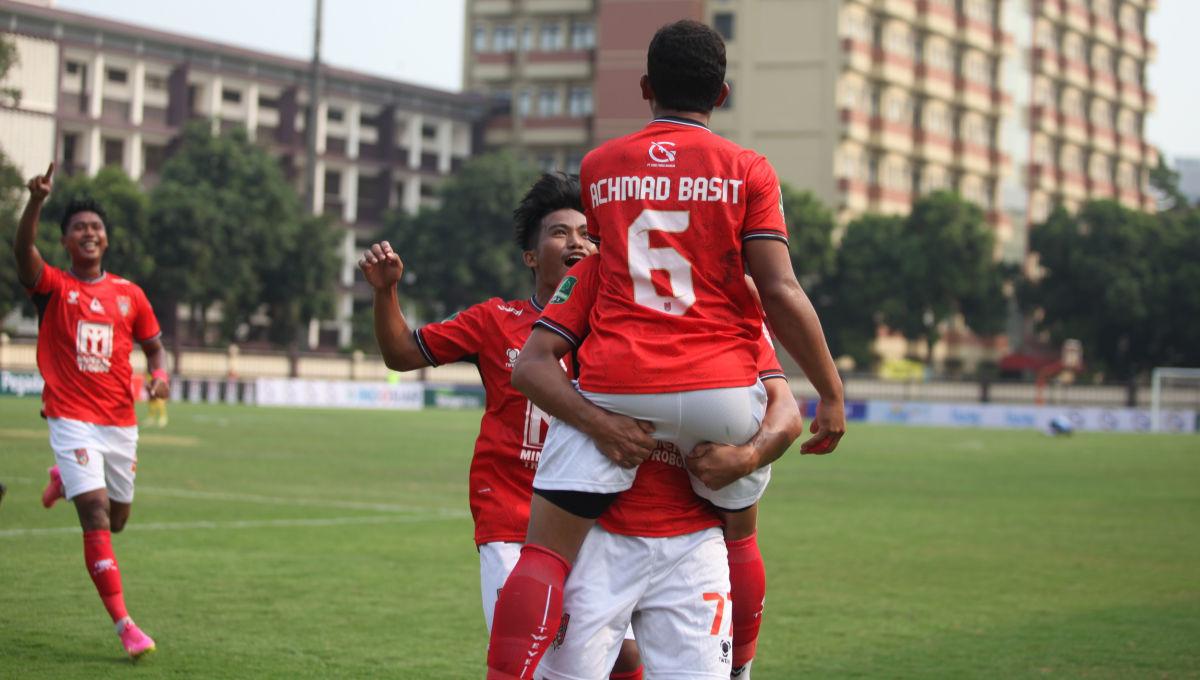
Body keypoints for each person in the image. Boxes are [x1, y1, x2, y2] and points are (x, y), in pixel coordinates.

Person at [487, 21, 846, 678]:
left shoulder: (599, 170)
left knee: (541, 552)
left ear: (646, 88)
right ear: (724, 92)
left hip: (621, 380)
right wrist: (832, 391)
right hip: (720, 391)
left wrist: (600, 418)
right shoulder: (747, 180)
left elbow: (550, 344)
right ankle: (742, 668)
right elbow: (781, 286)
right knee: (742, 522)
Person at [358, 173, 643, 679]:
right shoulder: (496, 321)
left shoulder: (618, 330)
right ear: (531, 257)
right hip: (513, 523)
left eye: (586, 233)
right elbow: (401, 353)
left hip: (594, 520)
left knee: (625, 656)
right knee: (534, 660)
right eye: (560, 232)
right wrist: (387, 293)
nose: (577, 241)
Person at [523, 254, 807, 679]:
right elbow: (532, 365)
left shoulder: (727, 285)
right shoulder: (601, 273)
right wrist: (601, 425)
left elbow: (784, 408)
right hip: (602, 535)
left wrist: (747, 457)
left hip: (694, 545)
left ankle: (741, 666)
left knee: (744, 517)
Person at [16, 163, 168, 660]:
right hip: (70, 417)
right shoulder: (55, 287)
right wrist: (35, 201)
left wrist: (160, 375)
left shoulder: (130, 295)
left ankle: (63, 477)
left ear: (105, 240)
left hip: (119, 423)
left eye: (95, 227)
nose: (89, 232)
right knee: (97, 515)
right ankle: (126, 626)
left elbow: (155, 347)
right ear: (65, 240)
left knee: (119, 519)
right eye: (79, 226)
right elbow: (23, 255)